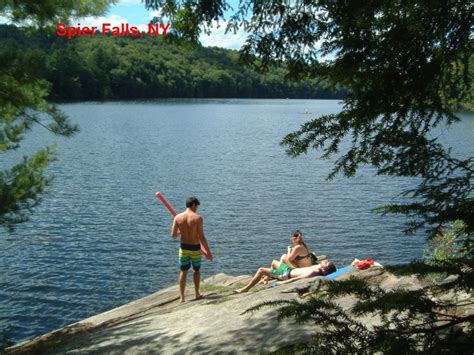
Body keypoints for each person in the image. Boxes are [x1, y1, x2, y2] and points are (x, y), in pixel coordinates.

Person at [171, 196, 213, 303]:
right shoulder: (197, 218)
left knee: (183, 271)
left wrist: (182, 232)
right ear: (194, 205)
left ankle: (182, 297)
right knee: (196, 271)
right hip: (195, 248)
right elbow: (201, 237)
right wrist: (208, 252)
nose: (197, 209)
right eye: (197, 206)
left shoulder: (178, 217)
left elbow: (173, 235)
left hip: (184, 247)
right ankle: (197, 294)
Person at [236, 259, 336, 293]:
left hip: (286, 275)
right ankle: (267, 278)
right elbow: (321, 263)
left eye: (326, 263)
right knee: (274, 262)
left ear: (325, 270)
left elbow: (298, 278)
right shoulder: (319, 267)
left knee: (261, 270)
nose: (325, 261)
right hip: (290, 270)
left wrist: (282, 283)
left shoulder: (315, 272)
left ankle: (245, 289)